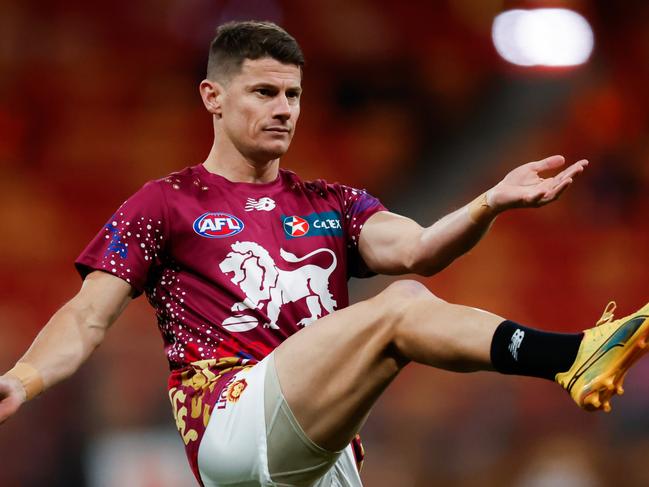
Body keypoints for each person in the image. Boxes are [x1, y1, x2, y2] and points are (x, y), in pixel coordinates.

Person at [0, 20, 647, 487]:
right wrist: (23, 380)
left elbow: (418, 248)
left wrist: (488, 203)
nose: (283, 109)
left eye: (292, 94)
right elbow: (87, 317)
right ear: (213, 97)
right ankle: (573, 355)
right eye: (263, 92)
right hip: (230, 417)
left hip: (316, 445)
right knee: (398, 308)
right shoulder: (164, 203)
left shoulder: (333, 202)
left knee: (406, 294)